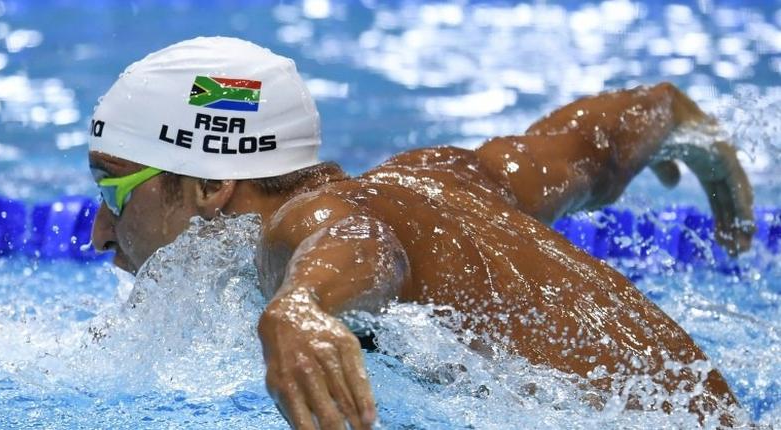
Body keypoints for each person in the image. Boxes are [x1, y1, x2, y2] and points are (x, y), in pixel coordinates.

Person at [88, 37, 754, 429]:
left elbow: (356, 244)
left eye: (111, 190)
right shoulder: (444, 179)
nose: (99, 231)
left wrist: (299, 308)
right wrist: (690, 131)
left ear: (210, 186)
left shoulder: (308, 224)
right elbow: (599, 141)